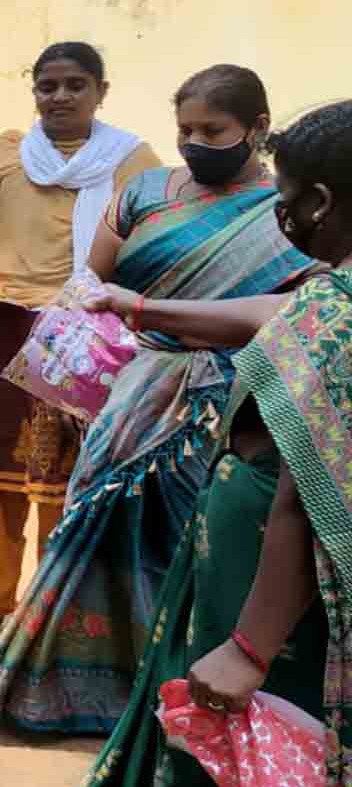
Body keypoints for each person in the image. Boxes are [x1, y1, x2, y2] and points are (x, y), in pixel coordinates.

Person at [0, 65, 317, 732]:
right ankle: (60, 691)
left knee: (188, 546)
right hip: (129, 391)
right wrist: (64, 369)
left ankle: (170, 692)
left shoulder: (281, 214)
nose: (196, 142)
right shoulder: (145, 191)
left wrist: (154, 311)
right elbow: (92, 283)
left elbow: (289, 315)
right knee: (93, 532)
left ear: (258, 129)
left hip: (220, 403)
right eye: (186, 129)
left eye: (214, 130)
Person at [84, 101, 352, 785]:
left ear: (320, 201)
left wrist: (249, 647)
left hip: (279, 590)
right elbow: (286, 313)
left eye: (286, 198)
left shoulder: (339, 317)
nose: (280, 213)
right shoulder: (333, 295)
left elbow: (305, 492)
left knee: (251, 752)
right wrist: (140, 308)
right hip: (275, 572)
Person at [0, 42, 160, 655]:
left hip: (85, 339)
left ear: (100, 92)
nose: (59, 96)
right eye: (47, 85)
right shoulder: (6, 155)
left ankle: (52, 614)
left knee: (72, 481)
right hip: (3, 330)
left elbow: (151, 248)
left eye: (74, 85)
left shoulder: (132, 163)